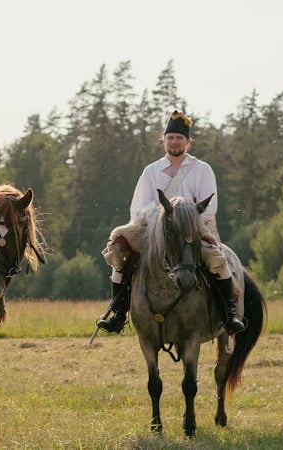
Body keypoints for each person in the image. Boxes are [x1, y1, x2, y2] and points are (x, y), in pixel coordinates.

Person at [95, 111, 246, 334]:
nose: (174, 142)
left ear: (188, 142)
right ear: (164, 140)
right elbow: (138, 208)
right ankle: (118, 313)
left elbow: (209, 208)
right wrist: (160, 218)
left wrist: (184, 217)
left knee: (215, 259)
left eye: (179, 138)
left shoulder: (202, 170)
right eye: (170, 137)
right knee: (118, 250)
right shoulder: (151, 171)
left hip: (192, 229)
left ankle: (229, 314)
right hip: (152, 228)